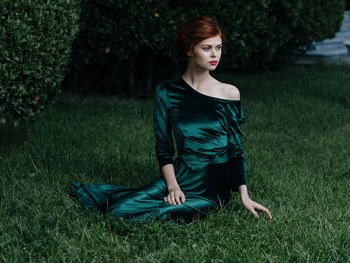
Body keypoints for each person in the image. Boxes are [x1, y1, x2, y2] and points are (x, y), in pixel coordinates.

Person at [70, 15, 272, 223]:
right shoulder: (166, 92)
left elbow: (235, 149)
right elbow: (164, 146)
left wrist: (244, 195)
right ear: (189, 50)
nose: (215, 55)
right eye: (207, 48)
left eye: (218, 47)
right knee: (120, 209)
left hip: (213, 186)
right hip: (181, 175)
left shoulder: (229, 93)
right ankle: (163, 192)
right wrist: (173, 186)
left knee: (162, 212)